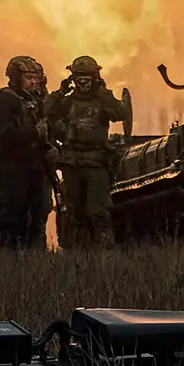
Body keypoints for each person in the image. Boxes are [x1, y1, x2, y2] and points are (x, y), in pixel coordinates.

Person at [44, 56, 131, 246]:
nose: (82, 82)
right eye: (78, 77)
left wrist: (103, 92)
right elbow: (45, 111)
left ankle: (105, 256)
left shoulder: (102, 100)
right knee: (75, 214)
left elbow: (121, 113)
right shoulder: (66, 102)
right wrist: (59, 92)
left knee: (98, 212)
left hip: (97, 164)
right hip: (71, 163)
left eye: (86, 77)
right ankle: (80, 257)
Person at [0, 56, 52, 249]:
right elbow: (5, 135)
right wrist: (34, 133)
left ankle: (35, 261)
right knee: (11, 216)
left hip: (36, 166)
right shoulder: (4, 100)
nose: (33, 82)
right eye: (29, 77)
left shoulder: (36, 102)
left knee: (38, 216)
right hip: (13, 167)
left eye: (36, 77)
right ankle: (4, 261)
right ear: (16, 77)